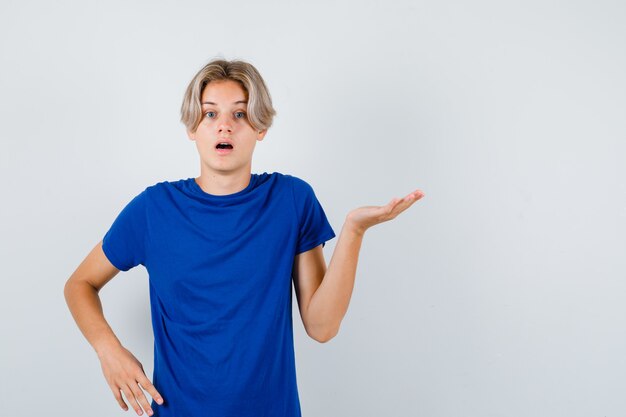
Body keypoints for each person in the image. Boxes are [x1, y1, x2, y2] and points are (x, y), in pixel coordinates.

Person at [63, 58, 424, 417]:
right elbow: (80, 283)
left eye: (239, 114)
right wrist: (108, 350)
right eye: (210, 114)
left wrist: (354, 231)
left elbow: (322, 325)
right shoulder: (153, 210)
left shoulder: (292, 201)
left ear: (260, 126)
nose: (224, 127)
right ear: (193, 127)